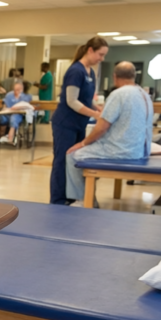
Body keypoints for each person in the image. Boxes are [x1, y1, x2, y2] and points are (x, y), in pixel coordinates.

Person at [65, 62, 152, 206]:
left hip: (121, 151)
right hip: (141, 150)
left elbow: (101, 127)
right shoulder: (143, 93)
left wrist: (82, 144)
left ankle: (83, 200)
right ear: (134, 76)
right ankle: (89, 195)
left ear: (115, 77)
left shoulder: (118, 94)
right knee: (87, 153)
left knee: (73, 155)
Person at [50, 36, 108, 205]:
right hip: (65, 123)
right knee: (62, 160)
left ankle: (71, 196)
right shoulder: (76, 71)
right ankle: (58, 200)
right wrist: (95, 115)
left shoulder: (90, 71)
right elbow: (72, 101)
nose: (102, 59)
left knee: (74, 160)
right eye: (100, 54)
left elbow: (87, 98)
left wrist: (99, 109)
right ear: (90, 50)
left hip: (79, 123)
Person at [0, 80, 32, 145]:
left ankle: (10, 137)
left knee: (14, 117)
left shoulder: (26, 96)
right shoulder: (9, 95)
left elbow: (25, 106)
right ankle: (1, 136)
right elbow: (4, 104)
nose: (16, 91)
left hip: (19, 114)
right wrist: (4, 108)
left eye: (18, 89)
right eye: (15, 89)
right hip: (7, 113)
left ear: (22, 89)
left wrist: (16, 108)